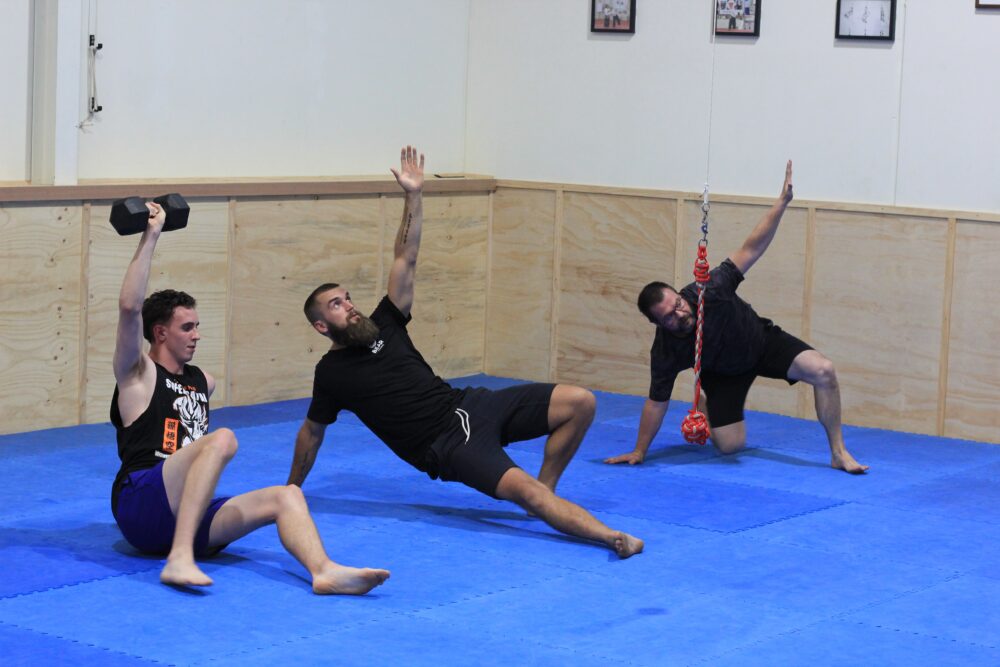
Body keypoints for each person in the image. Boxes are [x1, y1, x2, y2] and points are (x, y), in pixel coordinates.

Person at [291, 146, 643, 559]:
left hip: (471, 404)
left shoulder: (386, 320)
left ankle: (549, 490)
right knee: (523, 491)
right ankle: (611, 537)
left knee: (580, 402)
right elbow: (312, 432)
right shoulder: (332, 373)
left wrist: (414, 196)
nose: (349, 305)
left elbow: (406, 256)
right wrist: (292, 489)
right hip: (449, 444)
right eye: (336, 305)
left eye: (347, 297)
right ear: (321, 326)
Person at [111, 200, 390, 593]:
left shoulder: (202, 381)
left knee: (287, 495)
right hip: (142, 505)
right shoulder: (137, 376)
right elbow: (128, 308)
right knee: (223, 438)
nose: (197, 335)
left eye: (198, 326)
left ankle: (324, 571)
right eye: (187, 327)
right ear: (160, 333)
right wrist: (152, 233)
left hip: (188, 515)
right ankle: (179, 558)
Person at [604, 161, 868, 475]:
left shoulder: (709, 288)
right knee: (731, 447)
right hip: (722, 375)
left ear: (679, 294)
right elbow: (656, 402)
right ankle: (707, 405)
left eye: (677, 304)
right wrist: (639, 451)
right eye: (669, 317)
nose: (679, 313)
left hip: (761, 342)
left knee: (823, 370)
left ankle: (838, 452)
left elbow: (751, 247)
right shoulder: (666, 350)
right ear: (658, 324)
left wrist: (781, 204)